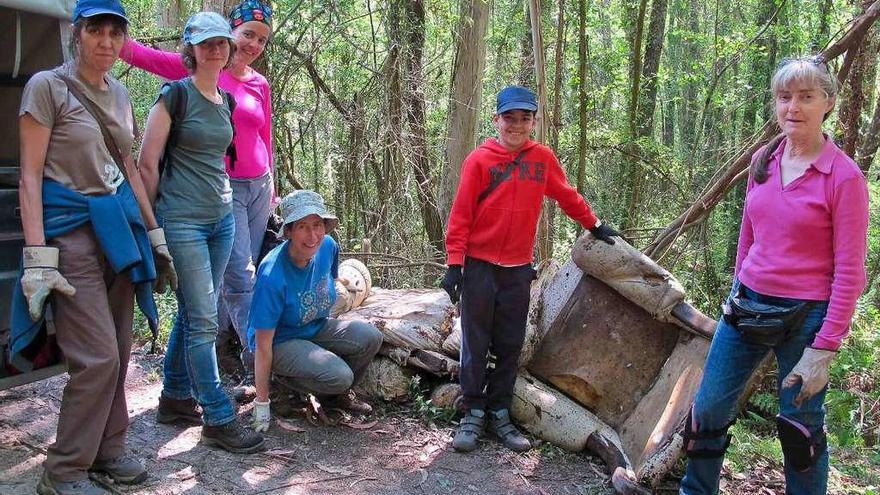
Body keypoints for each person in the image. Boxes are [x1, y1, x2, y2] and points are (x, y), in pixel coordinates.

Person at [679, 56, 869, 495]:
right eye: (785, 97)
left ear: (829, 103)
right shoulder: (763, 160)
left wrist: (824, 349)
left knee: (799, 428)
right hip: (746, 306)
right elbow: (748, 240)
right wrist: (734, 292)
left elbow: (849, 273)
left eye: (806, 97)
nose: (793, 107)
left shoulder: (844, 178)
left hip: (807, 320)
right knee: (706, 411)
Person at [13, 0, 176, 493]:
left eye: (115, 32)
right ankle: (62, 471)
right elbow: (29, 176)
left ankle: (109, 451)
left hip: (118, 232)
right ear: (78, 34)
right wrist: (38, 260)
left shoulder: (122, 93)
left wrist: (154, 233)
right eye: (97, 31)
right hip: (71, 235)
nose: (107, 42)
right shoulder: (48, 87)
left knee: (120, 351)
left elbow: (127, 169)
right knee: (98, 356)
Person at [441, 85, 621, 453]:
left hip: (517, 271)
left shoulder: (542, 159)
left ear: (534, 122)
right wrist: (454, 266)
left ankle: (501, 414)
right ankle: (472, 412)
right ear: (497, 120)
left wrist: (595, 225)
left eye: (525, 118)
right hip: (479, 267)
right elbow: (460, 217)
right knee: (475, 343)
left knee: (509, 343)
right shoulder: (479, 160)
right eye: (510, 117)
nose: (517, 125)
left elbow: (567, 195)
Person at [120, 0, 274, 391]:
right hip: (214, 194)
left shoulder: (257, 82)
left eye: (261, 39)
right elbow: (142, 55)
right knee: (241, 278)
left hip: (259, 187)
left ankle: (181, 384)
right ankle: (259, 365)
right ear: (229, 35)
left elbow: (263, 135)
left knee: (223, 285)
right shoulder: (201, 71)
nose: (253, 45)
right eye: (247, 35)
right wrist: (109, 35)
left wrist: (273, 186)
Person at [248, 190, 383, 432]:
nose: (313, 235)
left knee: (370, 337)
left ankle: (334, 396)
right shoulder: (271, 275)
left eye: (318, 225)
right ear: (288, 231)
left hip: (315, 326)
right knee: (340, 375)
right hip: (279, 341)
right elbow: (262, 345)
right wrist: (261, 404)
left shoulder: (328, 246)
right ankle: (283, 386)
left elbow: (327, 287)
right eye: (302, 226)